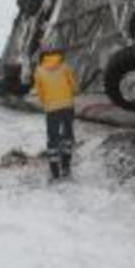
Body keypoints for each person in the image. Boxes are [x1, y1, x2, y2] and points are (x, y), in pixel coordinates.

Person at [33, 48, 78, 180]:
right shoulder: (64, 67)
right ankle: (66, 166)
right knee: (68, 135)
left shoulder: (39, 70)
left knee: (53, 137)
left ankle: (54, 171)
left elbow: (40, 93)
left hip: (51, 108)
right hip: (67, 106)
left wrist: (47, 101)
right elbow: (74, 86)